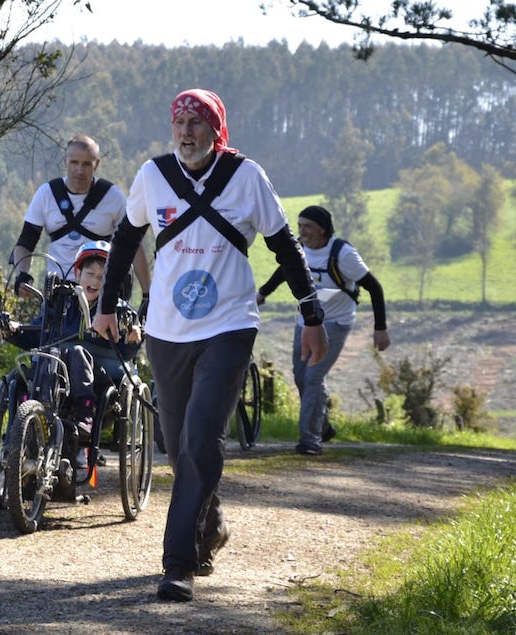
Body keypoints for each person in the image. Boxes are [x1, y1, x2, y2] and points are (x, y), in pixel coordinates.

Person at [92, 88, 328, 603]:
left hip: (228, 325)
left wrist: (312, 315)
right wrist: (106, 305)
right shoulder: (153, 175)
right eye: (179, 122)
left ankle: (177, 564)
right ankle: (211, 522)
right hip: (167, 329)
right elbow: (127, 239)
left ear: (216, 131)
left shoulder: (246, 177)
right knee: (177, 446)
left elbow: (286, 247)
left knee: (200, 438)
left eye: (196, 122)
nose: (186, 131)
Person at [256, 205, 390, 456]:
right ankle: (323, 426)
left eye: (308, 226)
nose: (302, 231)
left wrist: (380, 328)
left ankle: (310, 440)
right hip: (306, 321)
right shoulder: (300, 248)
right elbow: (285, 270)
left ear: (322, 229)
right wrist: (263, 293)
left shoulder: (343, 254)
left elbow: (374, 287)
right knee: (300, 376)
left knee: (313, 377)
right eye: (300, 225)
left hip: (336, 323)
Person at [2, 241, 141, 453]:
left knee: (76, 352)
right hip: (58, 368)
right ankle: (23, 418)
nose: (95, 280)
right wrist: (14, 331)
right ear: (77, 274)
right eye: (90, 274)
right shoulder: (61, 304)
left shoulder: (119, 310)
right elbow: (38, 335)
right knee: (21, 374)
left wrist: (131, 338)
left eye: (102, 277)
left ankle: (86, 411)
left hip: (100, 374)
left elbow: (126, 352)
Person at [10, 134, 150, 304]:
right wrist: (22, 274)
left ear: (96, 164)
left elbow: (133, 245)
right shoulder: (47, 194)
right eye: (74, 162)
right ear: (65, 161)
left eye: (86, 164)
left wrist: (147, 294)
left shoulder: (113, 197)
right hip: (58, 290)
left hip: (101, 290)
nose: (80, 170)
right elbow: (26, 241)